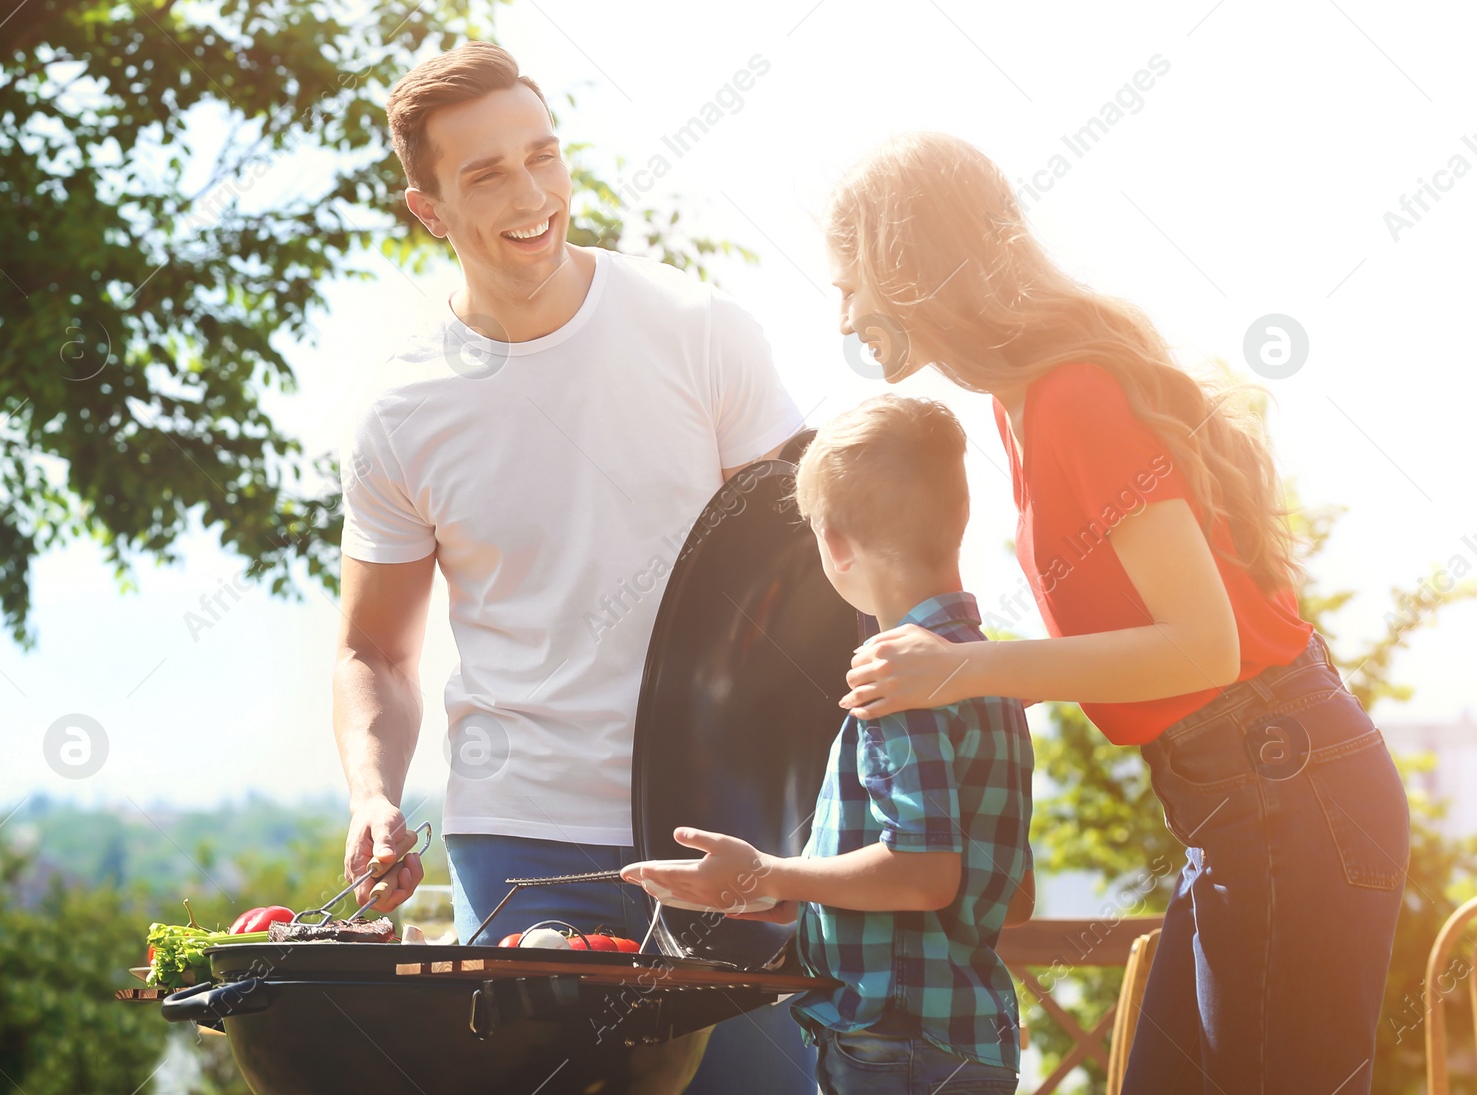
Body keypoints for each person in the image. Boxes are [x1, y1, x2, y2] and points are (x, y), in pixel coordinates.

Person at [820, 132, 1410, 1093]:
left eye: (851, 284)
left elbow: (1203, 645)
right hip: (1241, 801)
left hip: (1286, 791)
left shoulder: (1071, 396)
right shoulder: (1022, 407)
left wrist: (963, 669)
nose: (842, 312)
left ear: (912, 269)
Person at [331, 40, 814, 1091]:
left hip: (727, 832)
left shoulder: (699, 333)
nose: (531, 191)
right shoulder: (405, 416)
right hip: (521, 845)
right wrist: (374, 794)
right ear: (429, 210)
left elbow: (817, 576)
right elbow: (374, 650)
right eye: (486, 173)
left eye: (542, 154)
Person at [625, 394, 1036, 1095]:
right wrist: (792, 895)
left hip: (894, 1046)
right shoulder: (993, 677)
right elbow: (1009, 894)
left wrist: (770, 873)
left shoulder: (897, 678)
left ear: (835, 545)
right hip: (970, 1040)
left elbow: (924, 871)